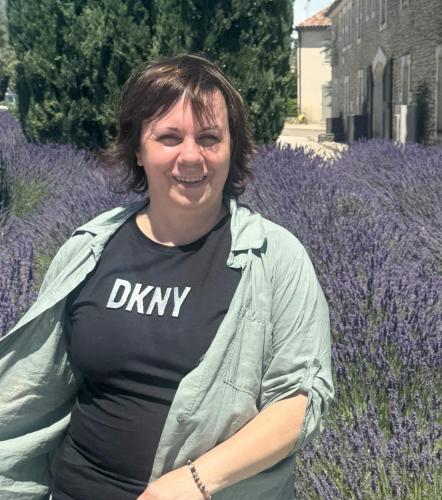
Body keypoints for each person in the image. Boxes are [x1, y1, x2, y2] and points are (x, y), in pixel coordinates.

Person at [0, 53, 334, 500]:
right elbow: (39, 386)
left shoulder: (276, 258)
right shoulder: (88, 249)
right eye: (169, 137)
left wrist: (195, 482)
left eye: (210, 138)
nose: (191, 156)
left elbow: (300, 400)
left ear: (232, 148)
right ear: (138, 149)